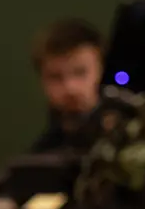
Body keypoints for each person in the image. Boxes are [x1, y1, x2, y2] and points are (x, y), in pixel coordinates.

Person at [27, 18, 112, 156]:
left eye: (80, 72)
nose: (70, 88)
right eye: (55, 77)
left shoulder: (137, 142)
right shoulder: (39, 159)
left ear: (103, 71)